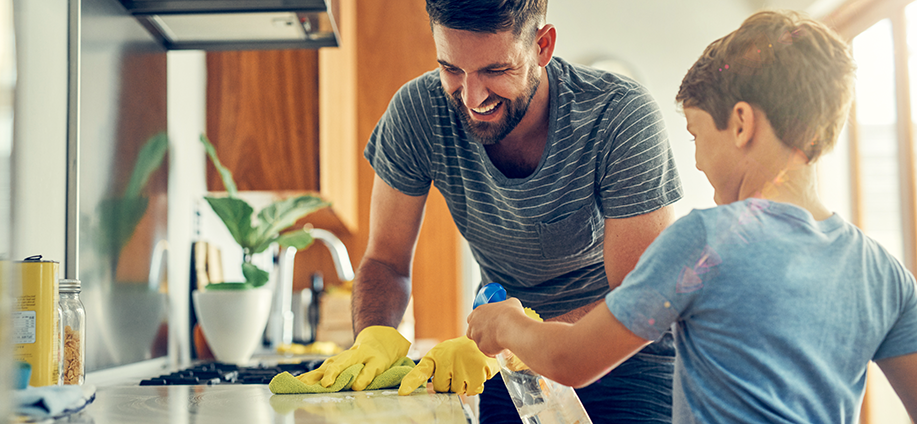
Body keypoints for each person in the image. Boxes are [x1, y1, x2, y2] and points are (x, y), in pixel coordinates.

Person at [466, 9, 917, 423]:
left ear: (741, 123)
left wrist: (508, 322)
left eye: (696, 134)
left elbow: (575, 361)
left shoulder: (705, 243)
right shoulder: (883, 274)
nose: (697, 162)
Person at [297, 0, 683, 422]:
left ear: (542, 45)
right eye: (451, 69)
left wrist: (518, 336)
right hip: (506, 369)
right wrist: (373, 337)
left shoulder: (619, 117)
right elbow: (386, 261)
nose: (471, 96)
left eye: (495, 71)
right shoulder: (418, 113)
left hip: (625, 365)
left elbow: (639, 297)